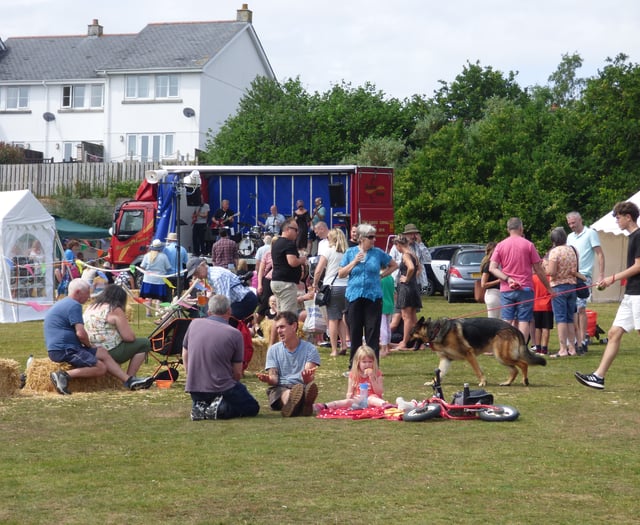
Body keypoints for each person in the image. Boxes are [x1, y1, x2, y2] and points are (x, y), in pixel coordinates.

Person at [45, 279, 154, 395]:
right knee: (101, 368)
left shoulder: (67, 304)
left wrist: (92, 347)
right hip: (66, 349)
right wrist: (89, 346)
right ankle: (63, 375)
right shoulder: (74, 305)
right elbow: (81, 334)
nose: (89, 297)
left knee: (102, 353)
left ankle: (129, 381)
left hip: (62, 347)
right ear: (77, 292)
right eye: (87, 293)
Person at [576, 201, 640, 390]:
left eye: (619, 217)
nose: (617, 221)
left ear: (628, 217)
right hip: (631, 294)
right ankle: (598, 377)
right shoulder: (632, 237)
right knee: (613, 333)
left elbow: (638, 266)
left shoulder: (639, 236)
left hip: (638, 294)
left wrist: (612, 278)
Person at [183, 294, 260, 421]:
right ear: (229, 311)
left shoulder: (194, 324)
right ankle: (221, 409)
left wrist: (189, 374)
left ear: (209, 311)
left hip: (195, 387)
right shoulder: (235, 334)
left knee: (211, 396)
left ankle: (201, 405)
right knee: (252, 407)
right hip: (222, 386)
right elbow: (237, 372)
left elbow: (185, 352)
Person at [338, 223, 398, 367]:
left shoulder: (377, 253)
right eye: (370, 237)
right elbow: (341, 273)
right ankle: (354, 366)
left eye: (374, 237)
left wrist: (382, 275)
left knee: (372, 332)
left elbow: (394, 265)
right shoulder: (350, 253)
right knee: (355, 333)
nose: (374, 240)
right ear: (361, 238)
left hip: (373, 297)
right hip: (354, 296)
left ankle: (373, 365)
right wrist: (354, 262)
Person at [489, 217, 552, 344]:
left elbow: (492, 268)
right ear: (521, 228)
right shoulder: (528, 245)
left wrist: (507, 278)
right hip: (525, 288)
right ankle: (521, 348)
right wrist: (549, 288)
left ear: (508, 229)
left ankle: (505, 347)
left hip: (507, 289)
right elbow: (538, 269)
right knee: (524, 320)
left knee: (507, 320)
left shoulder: (500, 245)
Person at [256, 310, 321, 417]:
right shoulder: (273, 350)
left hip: (301, 385)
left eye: (282, 327)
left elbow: (309, 377)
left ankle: (297, 405)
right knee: (284, 393)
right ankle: (301, 404)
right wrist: (268, 379)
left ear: (294, 326)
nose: (279, 331)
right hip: (280, 387)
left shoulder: (310, 349)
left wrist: (307, 377)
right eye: (277, 328)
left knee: (305, 388)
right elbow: (274, 379)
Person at [83, 284, 151, 377]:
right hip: (110, 351)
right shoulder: (114, 309)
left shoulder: (90, 307)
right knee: (145, 343)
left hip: (91, 349)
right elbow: (129, 337)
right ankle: (130, 377)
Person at [567, 211, 606, 354]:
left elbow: (600, 254)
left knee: (581, 308)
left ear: (580, 220)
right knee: (573, 309)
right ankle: (574, 340)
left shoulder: (590, 233)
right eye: (569, 223)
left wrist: (601, 274)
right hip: (572, 276)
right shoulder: (569, 237)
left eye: (574, 222)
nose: (572, 226)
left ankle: (583, 339)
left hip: (584, 276)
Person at [313, 344, 388, 413]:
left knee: (371, 398)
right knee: (347, 402)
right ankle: (324, 405)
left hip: (373, 398)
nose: (367, 364)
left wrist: (372, 378)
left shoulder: (377, 373)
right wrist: (350, 395)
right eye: (364, 362)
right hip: (359, 398)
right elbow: (349, 393)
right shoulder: (353, 374)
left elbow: (379, 392)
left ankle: (386, 405)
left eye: (370, 362)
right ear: (358, 362)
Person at [312, 228, 349, 357]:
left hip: (332, 287)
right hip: (346, 287)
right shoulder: (347, 252)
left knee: (333, 318)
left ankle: (334, 349)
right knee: (341, 317)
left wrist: (315, 283)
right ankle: (344, 344)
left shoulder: (327, 251)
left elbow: (318, 270)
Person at [186, 257, 258, 322]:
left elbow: (223, 301)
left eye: (196, 273)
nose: (195, 277)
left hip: (245, 301)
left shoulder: (216, 277)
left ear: (202, 265)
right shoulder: (211, 275)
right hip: (238, 301)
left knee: (225, 321)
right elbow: (216, 295)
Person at [547, 227, 580, 358]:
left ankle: (562, 349)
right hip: (572, 286)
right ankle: (572, 347)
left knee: (560, 319)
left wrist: (545, 269)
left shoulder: (554, 252)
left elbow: (552, 272)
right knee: (570, 318)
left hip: (558, 287)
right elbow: (576, 268)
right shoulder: (573, 250)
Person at [270, 218, 308, 315]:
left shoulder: (276, 243)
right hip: (286, 283)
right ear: (287, 229)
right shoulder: (288, 243)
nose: (297, 232)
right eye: (295, 230)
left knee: (280, 314)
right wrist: (302, 260)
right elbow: (292, 262)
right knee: (288, 315)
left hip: (276, 281)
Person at [140, 239, 172, 316]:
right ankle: (157, 312)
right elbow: (168, 267)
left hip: (148, 279)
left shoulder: (147, 256)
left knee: (148, 297)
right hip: (159, 280)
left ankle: (148, 313)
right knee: (159, 298)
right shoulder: (164, 256)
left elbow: (142, 267)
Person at [532, 257, 553, 355]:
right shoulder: (550, 278)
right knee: (545, 328)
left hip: (536, 306)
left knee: (537, 328)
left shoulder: (534, 278)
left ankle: (538, 348)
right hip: (547, 306)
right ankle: (544, 348)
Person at [402, 223, 431, 292]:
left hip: (417, 282)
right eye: (410, 234)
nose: (413, 236)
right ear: (405, 235)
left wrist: (420, 243)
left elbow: (428, 259)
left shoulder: (419, 247)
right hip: (403, 281)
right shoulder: (398, 246)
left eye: (415, 234)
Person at [480, 242, 501, 318]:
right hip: (492, 294)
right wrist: (498, 280)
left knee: (500, 319)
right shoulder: (488, 265)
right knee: (494, 319)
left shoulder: (497, 263)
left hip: (498, 293)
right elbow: (483, 284)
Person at [379, 273, 395, 358]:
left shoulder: (380, 278)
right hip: (390, 304)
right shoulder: (390, 277)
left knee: (382, 327)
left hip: (382, 305)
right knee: (387, 327)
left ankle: (383, 348)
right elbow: (394, 292)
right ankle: (388, 346)